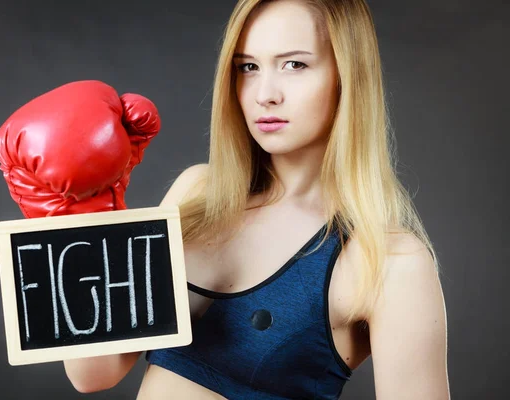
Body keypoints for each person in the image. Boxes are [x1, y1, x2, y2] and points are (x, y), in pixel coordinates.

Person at [63, 0, 450, 398]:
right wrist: (85, 211)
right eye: (248, 66)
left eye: (294, 64)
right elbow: (93, 374)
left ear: (347, 77)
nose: (264, 94)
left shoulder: (387, 261)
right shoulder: (197, 192)